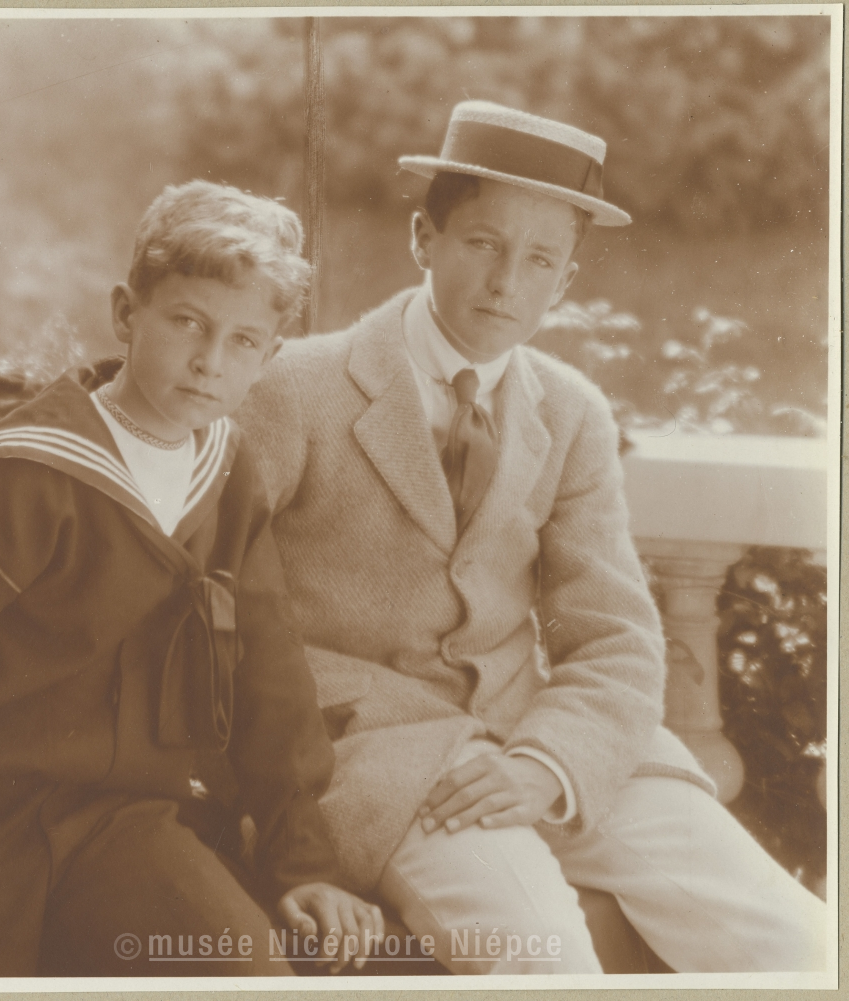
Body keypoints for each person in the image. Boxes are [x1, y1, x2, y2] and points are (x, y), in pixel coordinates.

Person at [234, 101, 827, 974]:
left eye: (540, 259)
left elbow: (616, 638)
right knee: (544, 961)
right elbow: (217, 601)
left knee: (798, 941)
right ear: (422, 238)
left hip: (540, 738)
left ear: (567, 282)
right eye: (483, 243)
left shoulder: (571, 409)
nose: (506, 282)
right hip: (376, 758)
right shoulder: (293, 388)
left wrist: (550, 763)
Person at [0, 180, 383, 977]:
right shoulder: (16, 478)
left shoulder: (224, 471)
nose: (209, 362)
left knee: (248, 975)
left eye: (242, 341)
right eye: (187, 322)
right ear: (127, 313)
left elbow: (270, 678)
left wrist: (305, 865)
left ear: (269, 357)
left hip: (121, 823)